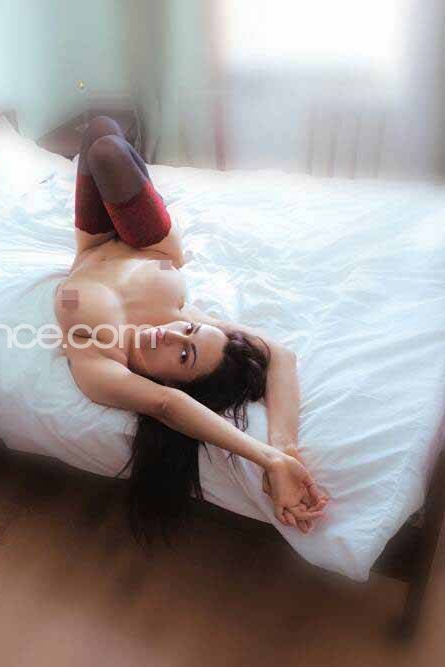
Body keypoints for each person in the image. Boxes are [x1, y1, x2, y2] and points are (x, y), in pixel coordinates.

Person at [55, 116, 328, 541]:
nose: (173, 334)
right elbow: (280, 355)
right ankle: (132, 174)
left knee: (99, 140)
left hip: (92, 244)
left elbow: (166, 406)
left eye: (183, 355)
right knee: (106, 143)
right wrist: (283, 448)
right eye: (186, 331)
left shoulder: (102, 360)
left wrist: (268, 461)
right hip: (150, 242)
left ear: (174, 382)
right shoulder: (186, 325)